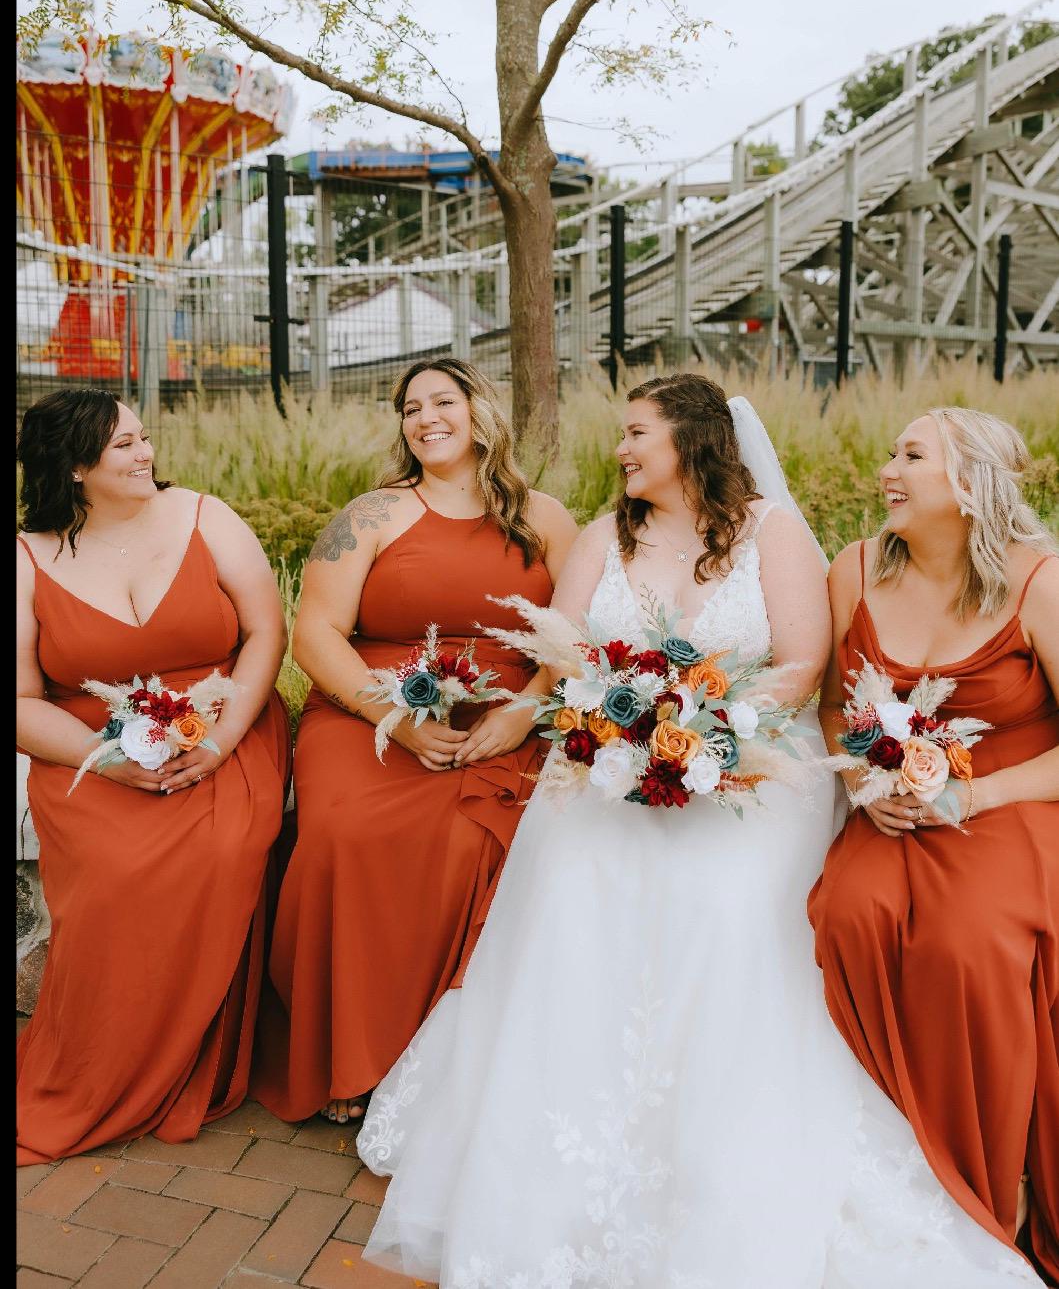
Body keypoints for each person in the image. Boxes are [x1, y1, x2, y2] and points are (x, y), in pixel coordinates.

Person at [355, 373, 1036, 1289]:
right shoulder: (603, 537)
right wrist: (620, 728)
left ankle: (723, 1142)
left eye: (636, 432)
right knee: (570, 887)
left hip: (748, 764)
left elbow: (800, 668)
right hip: (605, 763)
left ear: (692, 439)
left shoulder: (773, 533)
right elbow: (564, 655)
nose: (622, 449)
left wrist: (705, 724)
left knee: (727, 903)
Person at [251, 358, 578, 1125]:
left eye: (441, 402)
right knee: (346, 832)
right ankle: (348, 1056)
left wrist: (526, 710)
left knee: (473, 842)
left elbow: (576, 634)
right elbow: (315, 632)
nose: (424, 417)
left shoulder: (546, 517)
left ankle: (445, 1059)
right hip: (371, 708)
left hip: (503, 715)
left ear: (478, 411)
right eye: (409, 408)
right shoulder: (370, 515)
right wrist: (392, 717)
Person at [809, 406, 1059, 1283]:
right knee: (847, 913)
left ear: (967, 483)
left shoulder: (1036, 583)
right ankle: (890, 1164)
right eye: (889, 448)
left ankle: (989, 1186)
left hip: (1016, 797)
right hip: (896, 801)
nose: (887, 467)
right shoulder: (855, 568)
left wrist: (978, 792)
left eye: (910, 454)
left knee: (966, 947)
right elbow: (834, 704)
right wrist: (858, 784)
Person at [16, 389, 290, 1163]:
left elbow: (267, 630)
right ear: (75, 468)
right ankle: (105, 1068)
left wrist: (226, 736)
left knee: (224, 849)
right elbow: (20, 699)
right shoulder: (27, 558)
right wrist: (105, 759)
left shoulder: (206, 516)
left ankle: (191, 1058)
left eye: (144, 439)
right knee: (112, 871)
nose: (146, 457)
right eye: (123, 448)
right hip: (90, 751)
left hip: (224, 728)